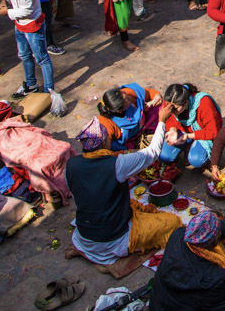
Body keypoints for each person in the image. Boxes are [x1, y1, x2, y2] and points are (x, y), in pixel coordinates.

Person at [66, 103, 182, 265]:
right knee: (172, 222)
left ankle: (88, 251)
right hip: (112, 239)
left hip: (85, 235)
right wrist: (161, 121)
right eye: (108, 138)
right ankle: (116, 260)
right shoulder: (116, 164)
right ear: (104, 142)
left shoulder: (71, 164)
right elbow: (152, 153)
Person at [160, 83, 223, 169]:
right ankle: (188, 146)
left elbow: (213, 130)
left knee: (196, 159)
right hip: (183, 130)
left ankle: (196, 149)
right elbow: (170, 119)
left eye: (176, 108)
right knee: (164, 156)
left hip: (202, 132)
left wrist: (188, 136)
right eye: (171, 108)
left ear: (186, 102)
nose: (172, 111)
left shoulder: (204, 103)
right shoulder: (169, 102)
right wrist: (173, 129)